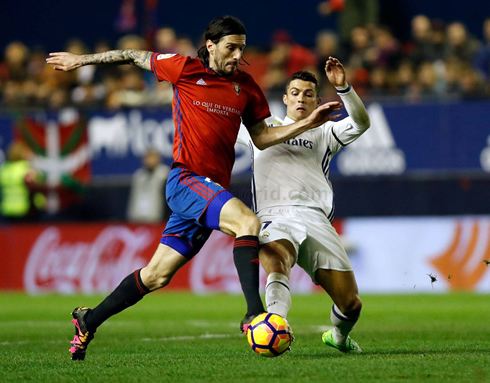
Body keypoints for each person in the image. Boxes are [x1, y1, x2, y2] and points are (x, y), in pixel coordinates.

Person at [46, 15, 343, 361]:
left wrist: (306, 123)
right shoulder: (183, 69)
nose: (237, 55)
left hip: (208, 191)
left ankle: (88, 320)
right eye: (231, 48)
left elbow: (262, 137)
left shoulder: (246, 87)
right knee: (248, 223)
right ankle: (253, 314)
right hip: (186, 180)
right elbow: (131, 55)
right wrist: (81, 60)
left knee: (156, 276)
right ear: (212, 45)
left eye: (242, 49)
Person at [241, 57, 370, 352]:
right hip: (274, 215)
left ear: (317, 100)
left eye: (308, 94)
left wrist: (344, 88)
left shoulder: (325, 132)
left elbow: (362, 123)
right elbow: (220, 124)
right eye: (295, 93)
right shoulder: (260, 128)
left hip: (315, 218)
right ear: (285, 99)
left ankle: (337, 337)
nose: (301, 98)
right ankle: (275, 325)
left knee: (351, 304)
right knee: (277, 261)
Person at [126, 148, 170, 223]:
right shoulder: (138, 175)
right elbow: (133, 198)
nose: (149, 160)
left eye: (152, 157)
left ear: (158, 158)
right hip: (137, 219)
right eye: (147, 158)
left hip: (156, 220)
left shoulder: (164, 175)